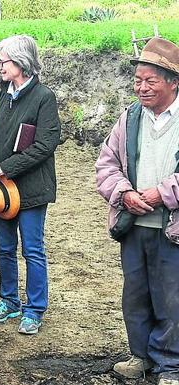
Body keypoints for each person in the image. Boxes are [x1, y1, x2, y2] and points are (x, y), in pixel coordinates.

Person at [96, 37, 179, 385]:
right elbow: (106, 165)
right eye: (138, 81)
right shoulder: (129, 118)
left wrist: (162, 194)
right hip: (134, 224)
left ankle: (170, 364)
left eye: (151, 81)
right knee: (136, 294)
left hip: (171, 228)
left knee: (171, 297)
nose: (142, 88)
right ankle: (141, 356)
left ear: (174, 82)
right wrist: (124, 193)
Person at [0, 35, 61, 335]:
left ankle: (34, 308)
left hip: (32, 190)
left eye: (4, 61)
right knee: (4, 248)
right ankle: (9, 301)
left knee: (33, 250)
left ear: (22, 63)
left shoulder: (43, 98)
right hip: (0, 190)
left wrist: (5, 167)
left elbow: (44, 145)